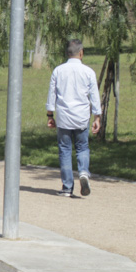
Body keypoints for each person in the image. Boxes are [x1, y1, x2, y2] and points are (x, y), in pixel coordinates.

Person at [46, 39, 102, 198]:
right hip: (82, 116)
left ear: (67, 53)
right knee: (82, 147)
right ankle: (83, 172)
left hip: (64, 116)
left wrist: (50, 114)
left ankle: (67, 187)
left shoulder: (58, 70)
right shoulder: (89, 72)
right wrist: (97, 117)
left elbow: (52, 94)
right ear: (81, 52)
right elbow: (94, 96)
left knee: (64, 150)